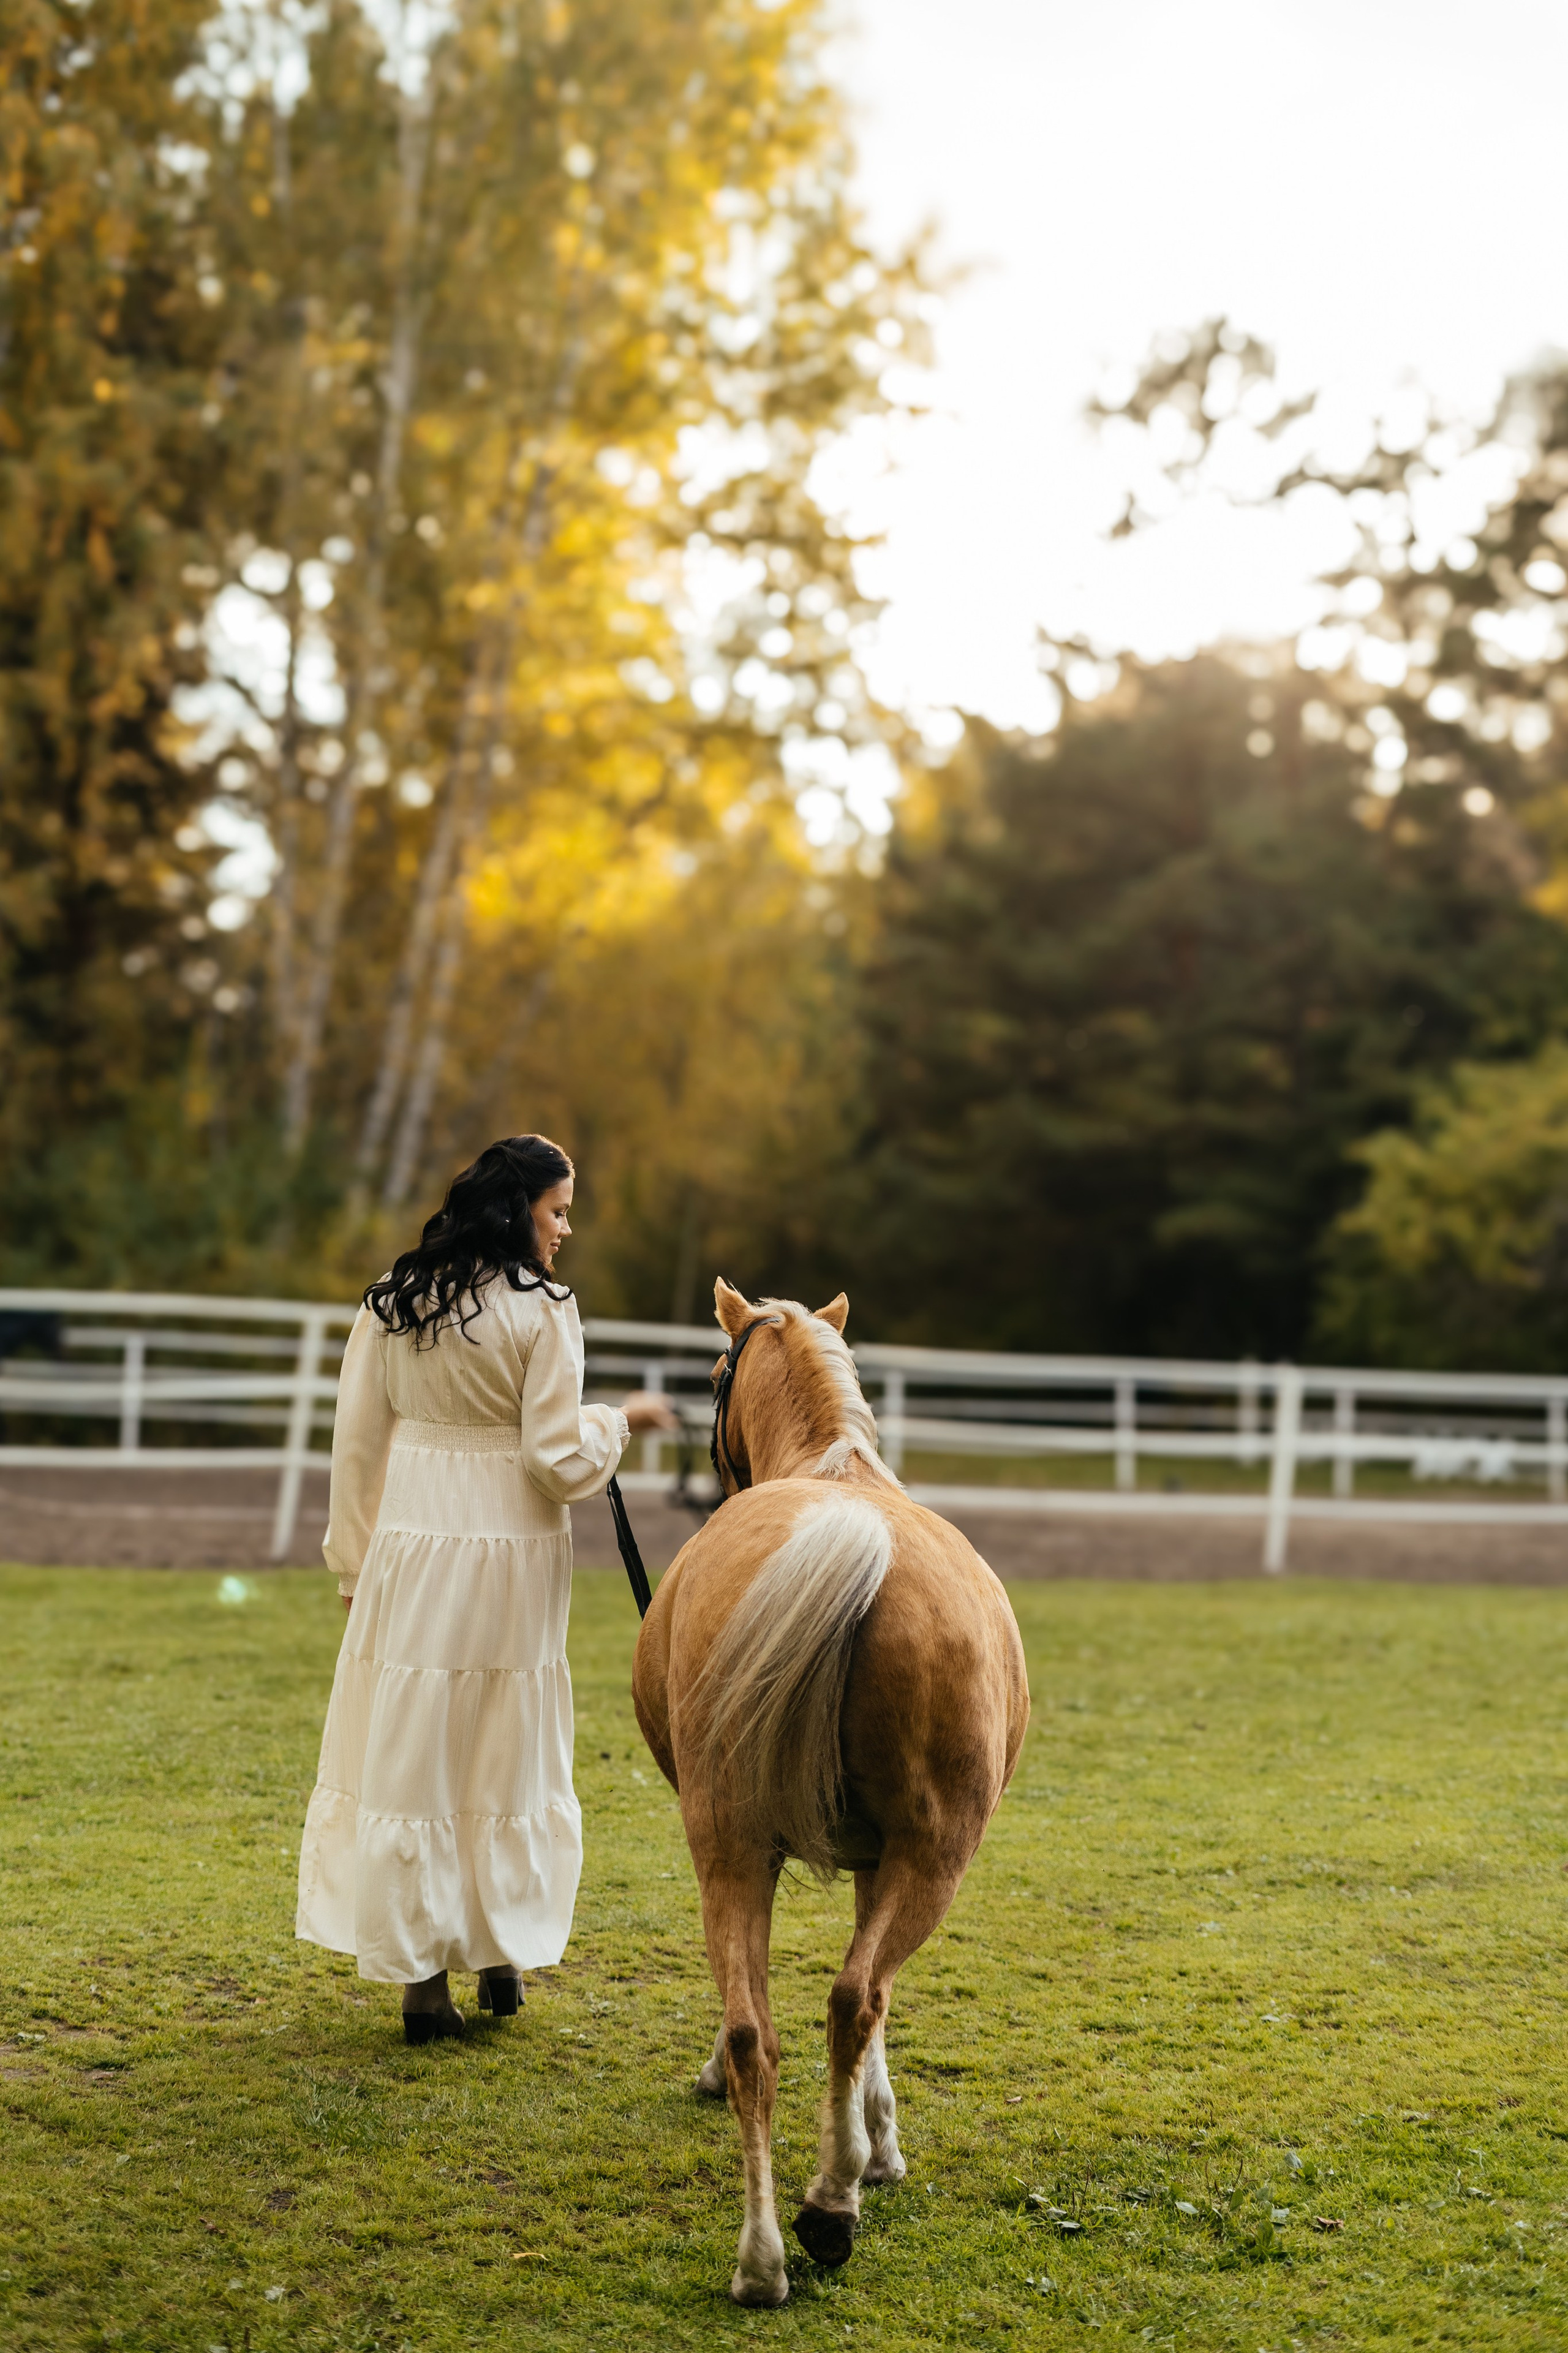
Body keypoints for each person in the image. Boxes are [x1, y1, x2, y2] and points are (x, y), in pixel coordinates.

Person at [295, 1133, 676, 2042]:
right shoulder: (544, 1310)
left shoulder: (398, 1297)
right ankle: (499, 1952)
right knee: (501, 1743)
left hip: (413, 1544)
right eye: (558, 1209)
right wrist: (618, 1422)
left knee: (418, 1744)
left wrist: (353, 1558)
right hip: (508, 1547)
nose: (566, 1228)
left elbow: (356, 1443)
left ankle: (427, 1981)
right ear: (520, 1209)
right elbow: (553, 1461)